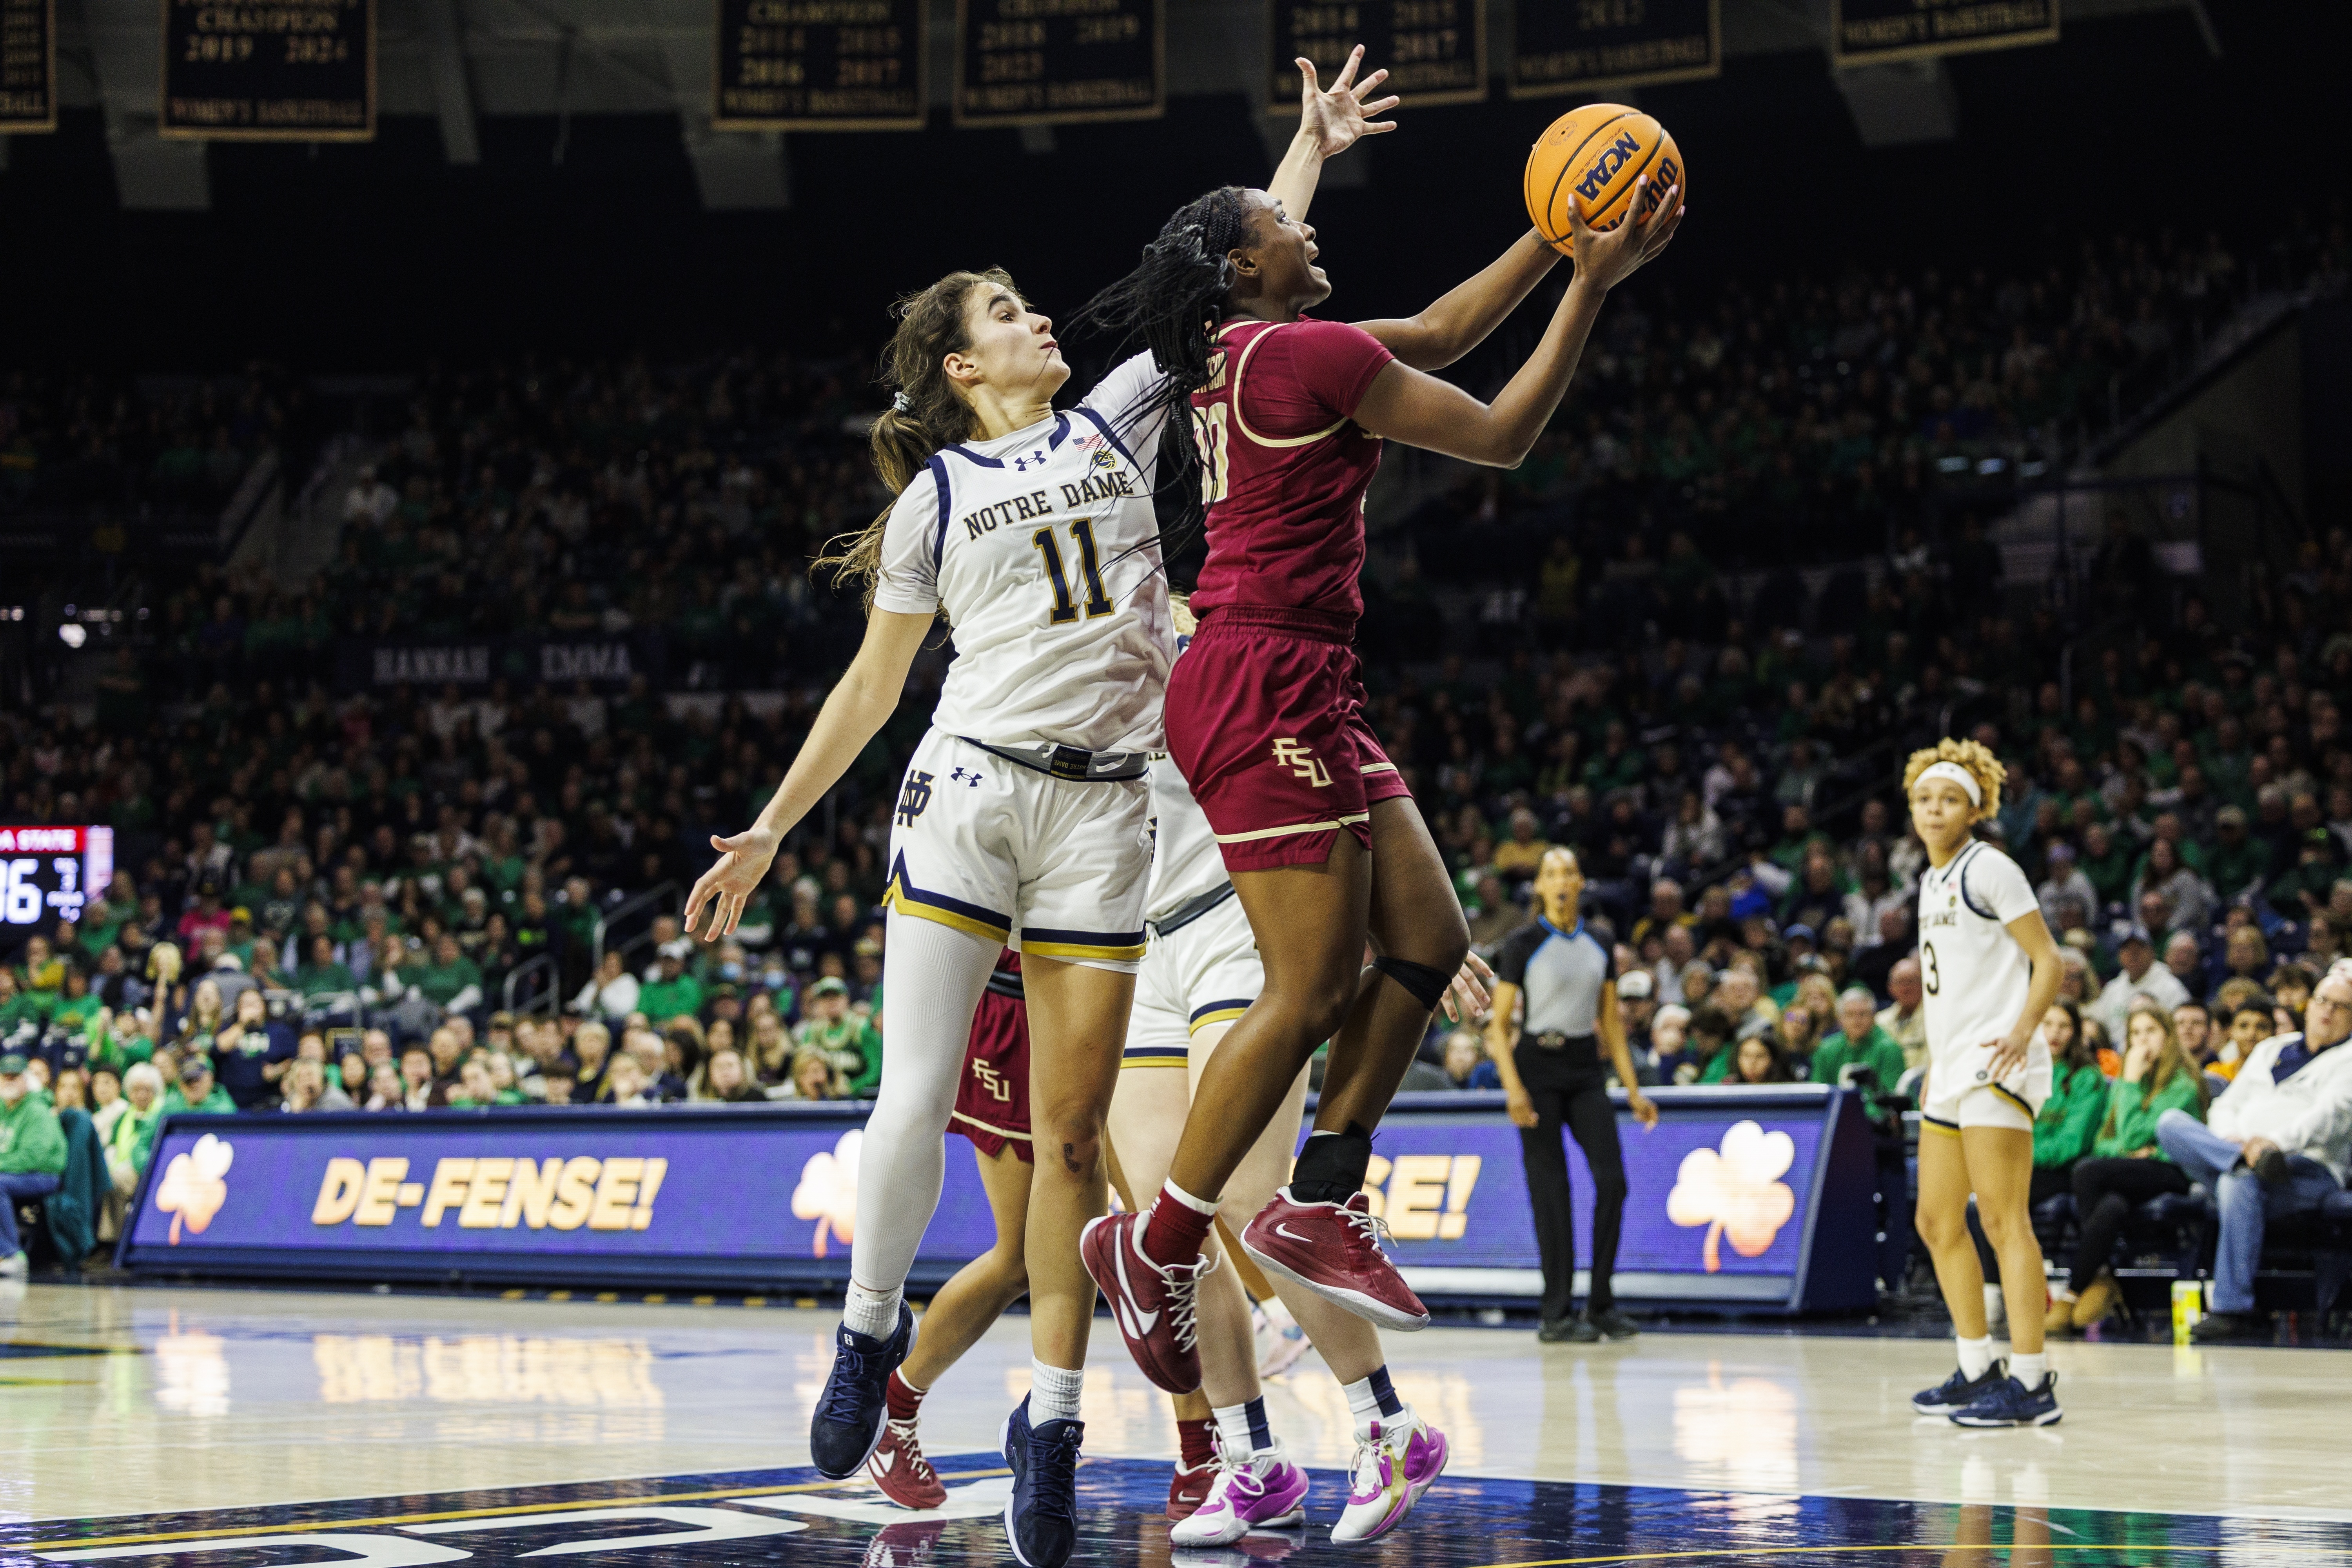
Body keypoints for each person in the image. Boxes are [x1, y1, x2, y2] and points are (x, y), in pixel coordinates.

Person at [678, 58, 1401, 1568]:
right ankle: (866, 1336)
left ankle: (1056, 1422)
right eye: (1002, 314)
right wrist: (765, 828)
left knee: (1073, 1144)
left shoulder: (1124, 418)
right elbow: (872, 691)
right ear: (960, 367)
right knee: (915, 1084)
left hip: (1106, 816)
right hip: (970, 783)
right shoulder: (934, 497)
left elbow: (1223, 268)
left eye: (1026, 301)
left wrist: (1307, 153)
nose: (1038, 319)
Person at [1073, 70, 1680, 1409]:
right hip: (1260, 682)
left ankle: (1323, 1193)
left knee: (1433, 938)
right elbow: (1508, 432)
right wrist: (1595, 283)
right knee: (1304, 991)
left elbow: (1450, 327)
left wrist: (1556, 230)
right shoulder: (1305, 355)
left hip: (1295, 679)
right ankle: (1159, 1245)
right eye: (1285, 225)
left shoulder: (1235, 356)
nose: (1311, 230)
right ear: (1247, 263)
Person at [1105, 664, 1483, 1545]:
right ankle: (1253, 1463)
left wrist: (1396, 915)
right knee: (1166, 1218)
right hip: (1134, 943)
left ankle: (1390, 1428)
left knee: (1239, 1192)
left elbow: (1334, 768)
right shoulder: (1068, 642)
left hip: (1239, 921)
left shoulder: (1229, 629)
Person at [1902, 740, 2065, 1428]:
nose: (1935, 810)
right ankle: (1976, 1367)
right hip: (1953, 1065)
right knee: (1937, 1221)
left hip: (1999, 1059)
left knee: (2003, 1220)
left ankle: (2032, 1383)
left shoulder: (1991, 867)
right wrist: (1937, 1060)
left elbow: (2049, 960)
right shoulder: (1929, 879)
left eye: (1948, 800)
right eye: (1924, 800)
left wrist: (2026, 1032)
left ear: (1974, 809)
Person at [867, 951, 1033, 1511]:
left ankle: (1205, 1450)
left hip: (1116, 983)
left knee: (1156, 1238)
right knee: (1026, 1258)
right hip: (1023, 993)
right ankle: (897, 1403)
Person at [1483, 849, 1658, 1343]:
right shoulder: (1521, 943)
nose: (1561, 881)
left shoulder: (1601, 941)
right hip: (1537, 1066)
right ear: (1539, 886)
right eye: (1552, 873)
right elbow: (1497, 1027)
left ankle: (1601, 1302)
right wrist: (1514, 1089)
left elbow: (1613, 1027)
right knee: (1552, 1194)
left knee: (1613, 1181)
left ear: (1581, 882)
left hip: (1584, 1068)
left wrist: (1633, 1090)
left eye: (1568, 872)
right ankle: (1556, 1313)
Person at [2157, 962, 2352, 1343]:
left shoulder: (2348, 1060)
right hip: (2242, 1152)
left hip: (2308, 1167)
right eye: (2324, 1001)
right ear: (2308, 1005)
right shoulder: (2270, 1049)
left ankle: (2233, 1309)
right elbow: (2227, 1104)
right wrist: (2233, 1140)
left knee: (2237, 1183)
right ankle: (2237, 1162)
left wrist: (2274, 1143)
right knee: (2170, 1124)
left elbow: (2329, 1117)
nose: (2328, 1011)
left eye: (2342, 1006)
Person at [2044, 1001, 2207, 1334]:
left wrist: (2131, 1081)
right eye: (2135, 1034)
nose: (2142, 1041)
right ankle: (2099, 1281)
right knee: (2111, 1206)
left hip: (2171, 1170)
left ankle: (2077, 1291)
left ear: (2169, 1036)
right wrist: (2126, 1151)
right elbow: (2105, 1142)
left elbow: (2131, 1133)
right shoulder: (2124, 1082)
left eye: (2151, 1031)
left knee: (2087, 1172)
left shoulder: (2183, 1084)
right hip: (2132, 1172)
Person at [1, 1051, 68, 1276]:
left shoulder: (37, 1110)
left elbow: (33, 1158)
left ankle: (12, 1255)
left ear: (26, 1080)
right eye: (5, 1077)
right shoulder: (3, 1109)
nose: (10, 1082)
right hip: (12, 1173)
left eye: (15, 1077)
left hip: (43, 1175)